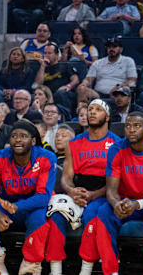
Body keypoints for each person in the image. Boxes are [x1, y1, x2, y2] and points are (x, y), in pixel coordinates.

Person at [45, 100, 121, 275]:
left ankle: (85, 270)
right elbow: (66, 177)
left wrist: (94, 195)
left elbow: (116, 182)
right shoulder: (74, 143)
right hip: (77, 191)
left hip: (103, 192)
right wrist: (72, 191)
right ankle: (55, 270)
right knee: (55, 214)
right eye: (90, 109)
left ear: (108, 116)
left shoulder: (117, 143)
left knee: (92, 214)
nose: (92, 112)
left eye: (98, 110)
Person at [92, 112, 143, 275]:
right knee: (104, 212)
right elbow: (111, 189)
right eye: (128, 126)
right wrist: (116, 204)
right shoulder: (116, 149)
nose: (131, 130)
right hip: (125, 202)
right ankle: (110, 270)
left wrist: (138, 204)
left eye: (137, 126)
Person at [0, 119, 56, 275]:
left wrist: (18, 207)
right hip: (5, 205)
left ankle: (31, 266)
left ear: (33, 141)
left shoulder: (47, 157)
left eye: (23, 136)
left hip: (31, 207)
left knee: (39, 219)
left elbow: (43, 196)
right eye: (14, 136)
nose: (17, 139)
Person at [76, 36, 137, 102]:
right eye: (109, 47)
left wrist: (118, 87)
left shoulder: (128, 61)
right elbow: (88, 79)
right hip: (98, 94)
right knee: (82, 89)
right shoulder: (98, 63)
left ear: (121, 49)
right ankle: (81, 111)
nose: (111, 49)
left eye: (114, 47)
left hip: (118, 93)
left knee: (126, 89)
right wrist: (83, 84)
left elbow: (132, 81)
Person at [34, 43, 79, 111]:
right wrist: (43, 66)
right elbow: (38, 84)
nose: (46, 55)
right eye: (45, 53)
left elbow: (76, 80)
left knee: (60, 94)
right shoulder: (41, 68)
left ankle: (65, 117)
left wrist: (68, 86)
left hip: (63, 93)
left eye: (49, 53)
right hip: (47, 93)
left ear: (56, 55)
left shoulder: (65, 65)